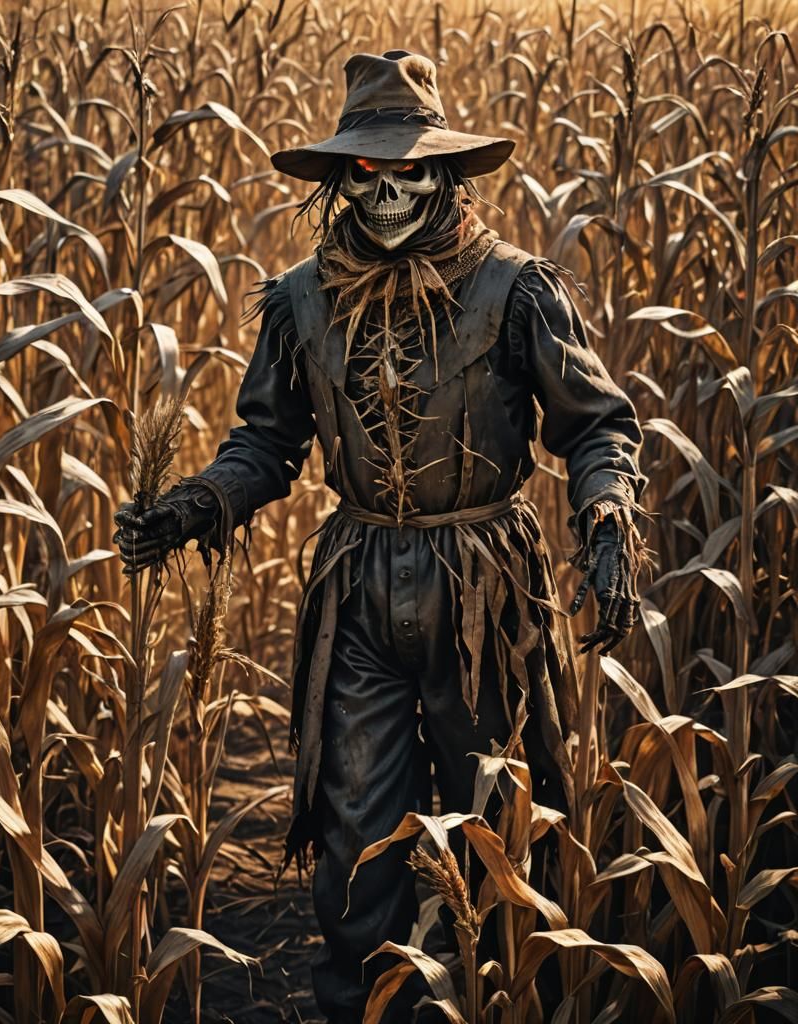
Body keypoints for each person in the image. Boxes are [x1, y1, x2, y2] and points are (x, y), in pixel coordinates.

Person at [115, 50, 646, 1024]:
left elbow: (597, 424)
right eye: (368, 169)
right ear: (342, 177)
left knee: (501, 830)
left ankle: (502, 1003)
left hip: (487, 586)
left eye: (411, 167)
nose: (392, 188)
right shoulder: (300, 300)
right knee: (355, 842)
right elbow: (267, 443)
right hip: (357, 594)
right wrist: (196, 504)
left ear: (445, 171)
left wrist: (608, 518)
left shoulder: (514, 291)